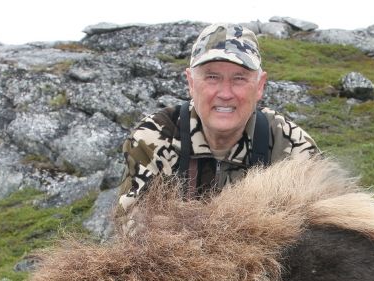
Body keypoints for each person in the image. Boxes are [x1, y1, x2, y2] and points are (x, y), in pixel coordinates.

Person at [114, 23, 319, 236]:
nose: (225, 93)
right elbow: (134, 231)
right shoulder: (152, 138)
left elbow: (321, 238)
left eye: (239, 78)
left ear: (260, 86)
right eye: (212, 77)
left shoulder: (293, 147)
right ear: (191, 82)